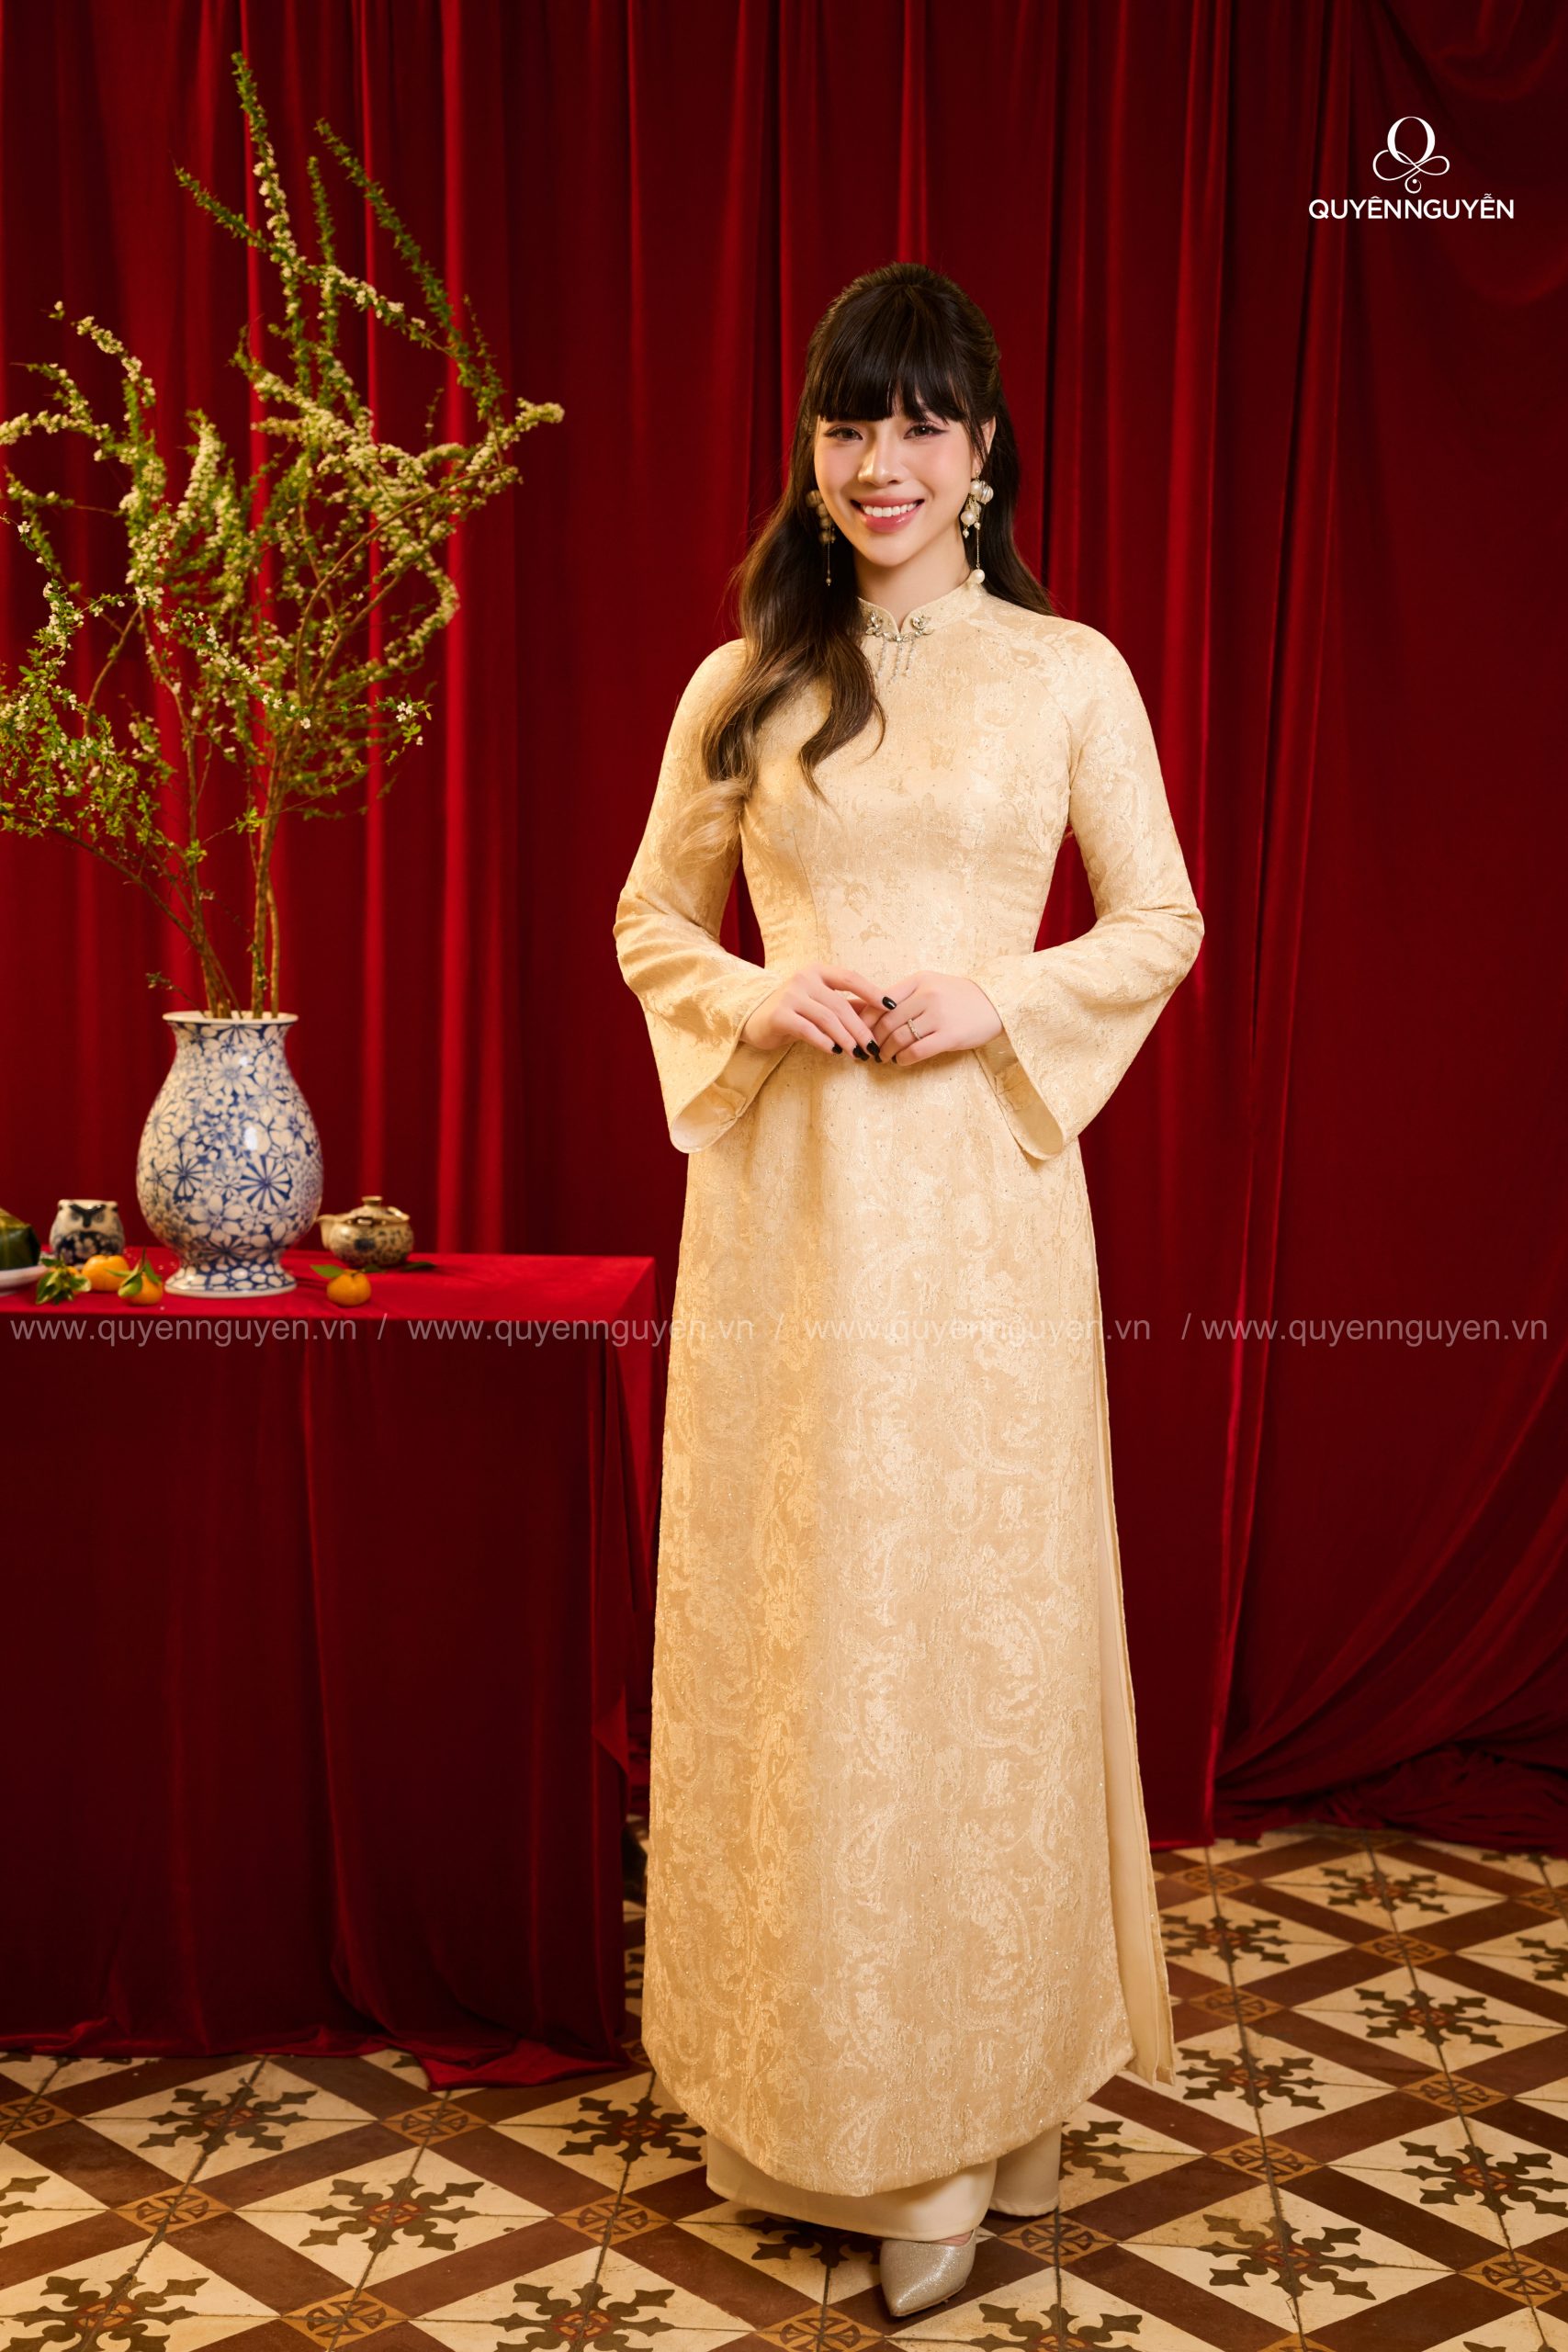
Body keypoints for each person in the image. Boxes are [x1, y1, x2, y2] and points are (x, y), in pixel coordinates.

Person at [613, 262, 1202, 2321]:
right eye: (850, 423)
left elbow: (1158, 917)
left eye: (921, 422)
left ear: (984, 451)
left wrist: (995, 995)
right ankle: (797, 2093)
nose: (884, 463)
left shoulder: (1066, 673)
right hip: (785, 1209)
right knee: (804, 1626)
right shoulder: (744, 680)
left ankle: (977, 2098)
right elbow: (648, 920)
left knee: (963, 1638)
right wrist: (756, 992)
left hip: (978, 1218)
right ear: (811, 450)